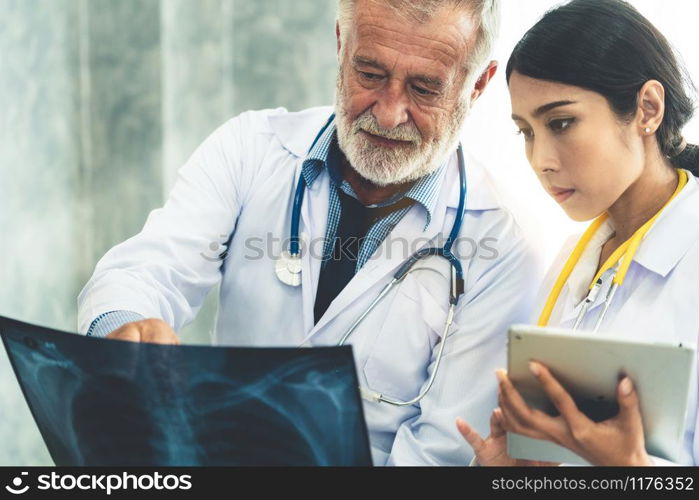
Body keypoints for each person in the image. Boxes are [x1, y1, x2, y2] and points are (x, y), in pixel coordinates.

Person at [78, 0, 541, 466]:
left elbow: (439, 452)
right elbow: (145, 271)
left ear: (477, 85)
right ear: (342, 47)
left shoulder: (502, 250)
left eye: (424, 89)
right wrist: (126, 323)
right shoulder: (250, 149)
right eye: (370, 74)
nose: (388, 113)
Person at [457, 0, 699, 466]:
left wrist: (628, 471)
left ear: (648, 109)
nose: (540, 159)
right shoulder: (573, 260)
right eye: (526, 131)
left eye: (561, 123)